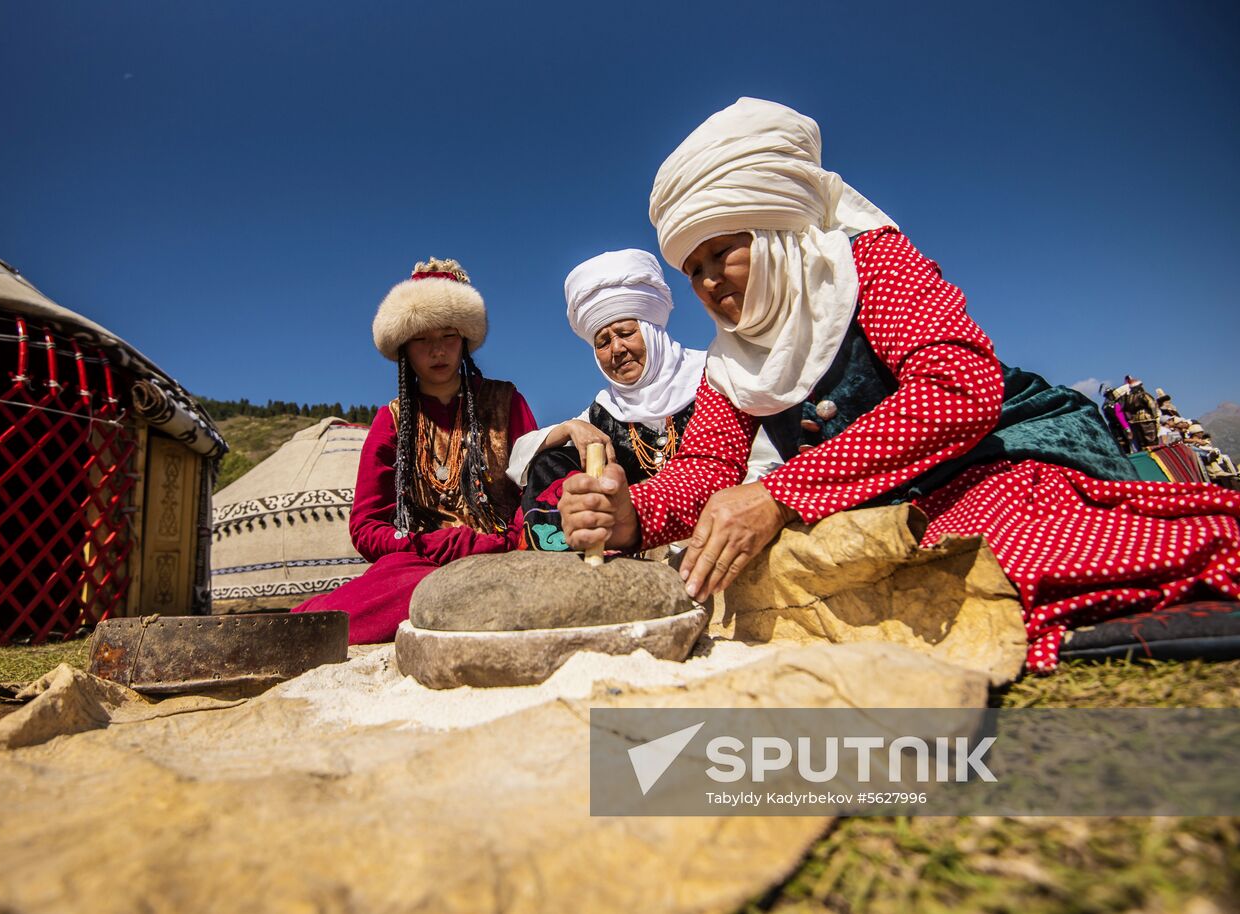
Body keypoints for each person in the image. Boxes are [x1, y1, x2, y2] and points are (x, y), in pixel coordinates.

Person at [558, 98, 1240, 672]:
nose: (707, 281)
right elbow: (707, 465)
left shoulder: (867, 263)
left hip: (993, 457)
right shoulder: (731, 361)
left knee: (969, 558)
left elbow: (956, 389)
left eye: (721, 251)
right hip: (881, 502)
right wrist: (634, 515)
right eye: (693, 267)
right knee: (796, 577)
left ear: (773, 229)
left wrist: (781, 493)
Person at [293, 258, 537, 643]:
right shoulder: (390, 420)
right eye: (422, 339)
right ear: (405, 348)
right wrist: (429, 542)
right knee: (375, 602)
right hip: (420, 560)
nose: (437, 351)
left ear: (465, 341)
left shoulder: (506, 401)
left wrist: (505, 542)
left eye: (448, 336)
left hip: (503, 550)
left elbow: (535, 487)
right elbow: (366, 525)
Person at [505, 248, 778, 551]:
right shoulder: (604, 411)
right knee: (551, 459)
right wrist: (570, 428)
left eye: (625, 333)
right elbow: (518, 461)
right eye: (603, 342)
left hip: (727, 525)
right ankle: (568, 553)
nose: (617, 349)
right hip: (635, 541)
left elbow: (763, 459)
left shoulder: (714, 373)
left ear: (652, 332)